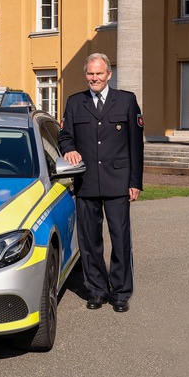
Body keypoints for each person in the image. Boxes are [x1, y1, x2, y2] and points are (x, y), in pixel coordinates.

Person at [59, 53, 144, 313]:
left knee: (120, 238)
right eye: (90, 74)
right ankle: (96, 289)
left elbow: (135, 145)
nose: (94, 78)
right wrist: (69, 149)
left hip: (118, 182)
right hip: (86, 183)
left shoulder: (126, 101)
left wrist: (135, 181)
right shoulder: (75, 102)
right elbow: (65, 137)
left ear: (108, 74)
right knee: (89, 240)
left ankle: (120, 292)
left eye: (99, 73)